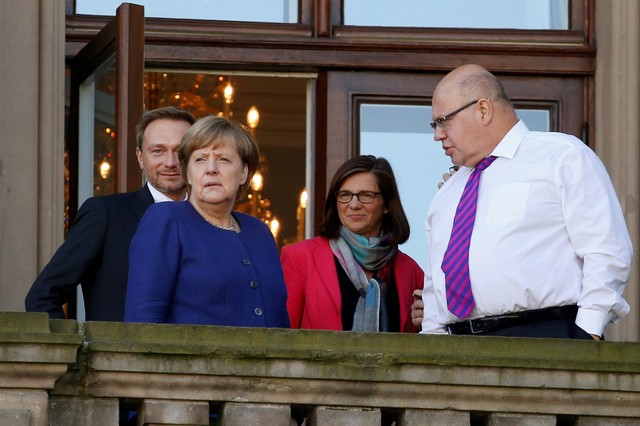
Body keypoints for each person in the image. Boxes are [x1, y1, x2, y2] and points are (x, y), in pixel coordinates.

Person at [420, 64, 632, 339]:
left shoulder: (561, 157)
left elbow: (606, 250)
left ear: (483, 110)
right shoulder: (446, 196)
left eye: (443, 120)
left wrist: (587, 333)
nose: (438, 134)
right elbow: (435, 286)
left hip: (547, 335)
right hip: (459, 346)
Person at [25, 106, 195, 321]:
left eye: (179, 151)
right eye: (158, 151)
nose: (170, 163)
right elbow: (42, 296)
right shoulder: (106, 214)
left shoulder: (211, 221)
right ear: (140, 157)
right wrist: (75, 351)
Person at [124, 115, 289, 328]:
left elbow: (280, 318)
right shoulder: (166, 219)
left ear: (243, 173)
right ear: (188, 174)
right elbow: (142, 321)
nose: (211, 169)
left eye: (223, 159)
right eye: (200, 159)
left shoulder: (259, 232)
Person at [281, 155, 424, 332]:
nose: (354, 204)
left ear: (386, 204)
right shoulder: (300, 258)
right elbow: (283, 335)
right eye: (345, 195)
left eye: (366, 195)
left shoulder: (411, 271)